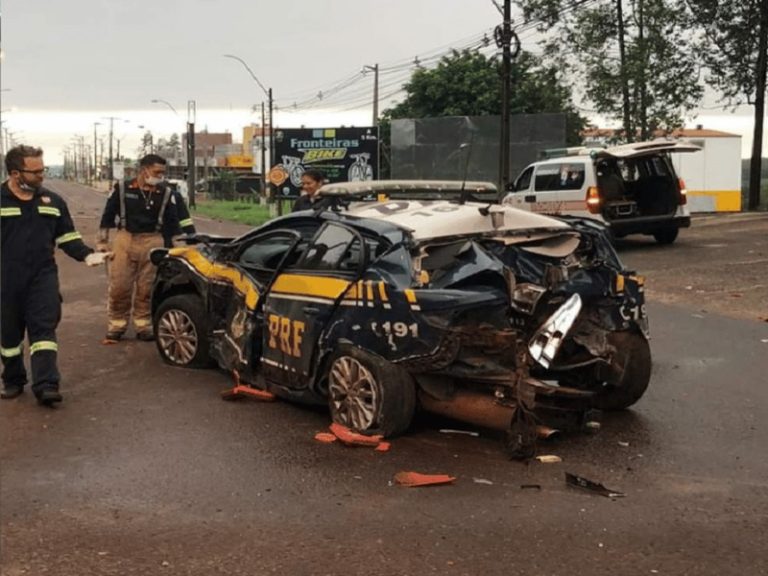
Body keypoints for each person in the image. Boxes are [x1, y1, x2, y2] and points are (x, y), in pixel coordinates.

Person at [1, 145, 109, 406]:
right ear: (15, 173)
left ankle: (47, 384)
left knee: (43, 329)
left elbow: (67, 237)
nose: (42, 176)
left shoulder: (52, 201)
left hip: (42, 278)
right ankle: (13, 379)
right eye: (35, 172)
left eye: (43, 170)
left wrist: (86, 255)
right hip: (5, 280)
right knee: (8, 336)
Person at [97, 154, 182, 343]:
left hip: (153, 241)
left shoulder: (166, 193)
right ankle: (116, 324)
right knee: (120, 285)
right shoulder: (122, 189)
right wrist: (102, 243)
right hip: (125, 239)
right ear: (144, 170)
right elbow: (107, 216)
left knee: (147, 287)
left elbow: (173, 223)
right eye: (157, 172)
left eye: (162, 173)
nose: (160, 176)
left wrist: (179, 249)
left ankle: (143, 324)